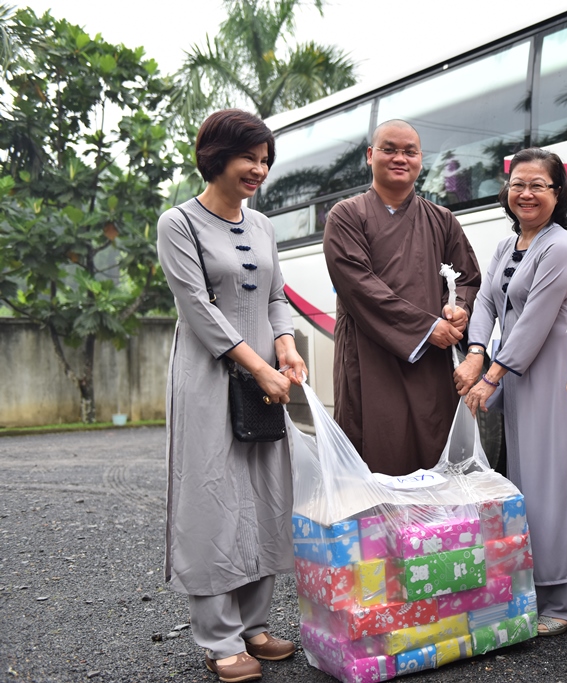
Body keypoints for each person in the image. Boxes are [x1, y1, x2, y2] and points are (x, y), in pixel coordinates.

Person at [157, 109, 308, 683]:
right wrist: (256, 366)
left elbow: (276, 298)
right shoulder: (179, 223)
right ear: (216, 155)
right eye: (250, 157)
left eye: (266, 160)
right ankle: (218, 637)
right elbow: (198, 309)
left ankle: (255, 626)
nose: (259, 169)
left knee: (267, 493)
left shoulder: (263, 225)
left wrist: (287, 349)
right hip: (208, 379)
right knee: (213, 497)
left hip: (267, 375)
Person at [453, 148, 567, 637]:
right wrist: (476, 348)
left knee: (554, 486)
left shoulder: (560, 247)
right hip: (520, 378)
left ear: (558, 194)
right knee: (527, 485)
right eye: (518, 184)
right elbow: (484, 300)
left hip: (555, 380)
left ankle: (564, 601)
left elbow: (536, 322)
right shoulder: (507, 246)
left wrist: (490, 376)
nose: (526, 193)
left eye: (538, 185)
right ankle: (535, 589)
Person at [323, 120, 481, 476]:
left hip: (430, 362)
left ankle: (429, 533)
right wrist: (427, 328)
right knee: (376, 452)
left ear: (421, 160)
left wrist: (459, 310)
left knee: (434, 451)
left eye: (410, 151)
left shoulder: (442, 220)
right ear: (370, 156)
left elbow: (468, 277)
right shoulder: (346, 216)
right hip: (369, 354)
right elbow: (358, 286)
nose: (400, 158)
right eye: (389, 149)